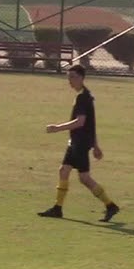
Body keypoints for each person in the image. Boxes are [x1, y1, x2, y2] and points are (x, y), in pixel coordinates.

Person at [39, 64, 120, 222]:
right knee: (64, 171)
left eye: (74, 77)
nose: (70, 80)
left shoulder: (83, 97)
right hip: (77, 142)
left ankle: (110, 205)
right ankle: (58, 208)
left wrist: (57, 128)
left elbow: (81, 122)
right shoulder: (84, 96)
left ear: (82, 78)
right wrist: (96, 145)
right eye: (69, 77)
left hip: (80, 144)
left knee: (84, 178)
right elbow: (92, 124)